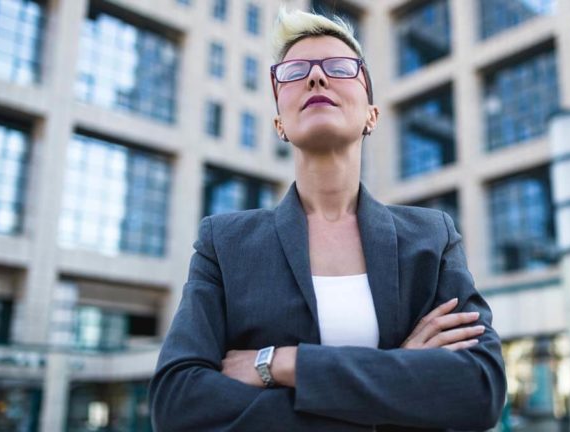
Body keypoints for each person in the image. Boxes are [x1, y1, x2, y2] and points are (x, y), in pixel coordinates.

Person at [149, 8, 506, 431]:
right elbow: (177, 403)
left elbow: (479, 389)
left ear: (371, 115)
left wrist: (281, 363)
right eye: (295, 71)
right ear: (280, 123)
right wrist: (395, 375)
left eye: (340, 68)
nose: (316, 78)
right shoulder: (225, 244)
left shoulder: (431, 238)